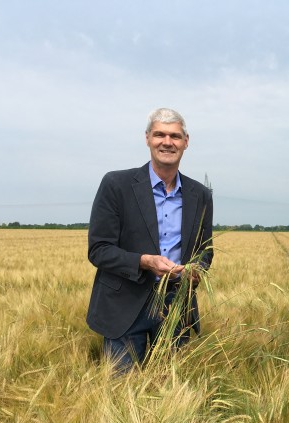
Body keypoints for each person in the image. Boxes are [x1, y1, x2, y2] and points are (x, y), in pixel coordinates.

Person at [87, 108, 213, 370]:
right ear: (147, 139)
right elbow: (99, 250)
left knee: (171, 392)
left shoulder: (200, 194)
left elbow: (205, 249)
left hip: (175, 306)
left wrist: (196, 269)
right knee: (123, 393)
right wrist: (144, 261)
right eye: (159, 135)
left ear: (186, 142)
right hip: (124, 305)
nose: (167, 142)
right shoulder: (116, 185)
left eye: (175, 136)